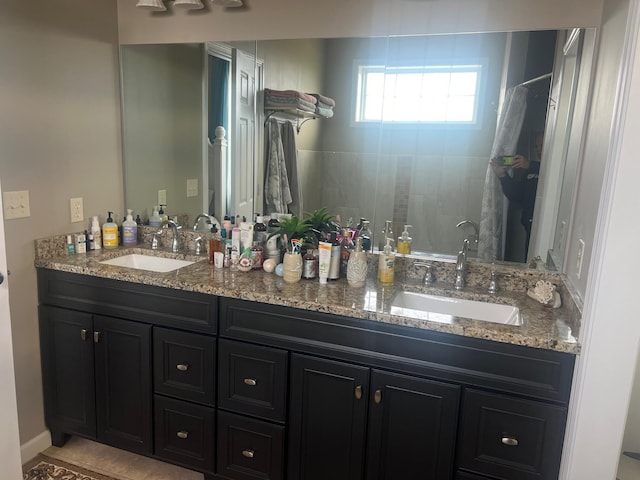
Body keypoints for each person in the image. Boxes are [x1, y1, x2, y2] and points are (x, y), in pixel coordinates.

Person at [490, 133, 543, 256]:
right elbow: (516, 196)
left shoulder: (555, 170)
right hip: (530, 228)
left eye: (542, 145)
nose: (539, 150)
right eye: (537, 146)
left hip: (546, 231)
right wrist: (502, 176)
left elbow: (553, 177)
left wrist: (530, 165)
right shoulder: (529, 173)